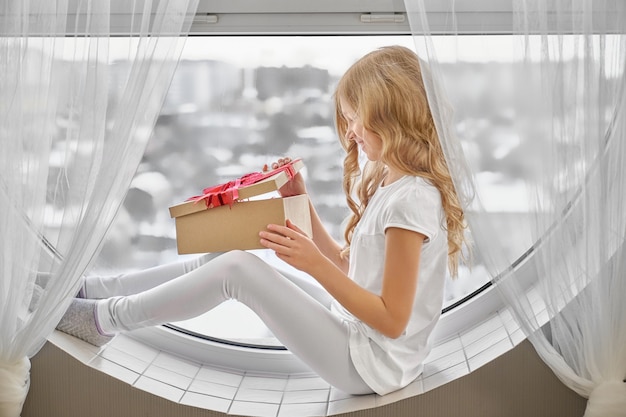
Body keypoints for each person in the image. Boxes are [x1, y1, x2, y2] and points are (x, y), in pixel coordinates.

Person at [55, 45, 467, 396]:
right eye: (348, 117)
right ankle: (93, 290)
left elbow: (392, 321)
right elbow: (350, 268)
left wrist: (312, 264)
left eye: (357, 116)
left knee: (238, 270)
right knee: (230, 254)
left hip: (372, 364)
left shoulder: (413, 199)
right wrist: (300, 202)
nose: (352, 129)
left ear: (393, 115)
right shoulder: (392, 183)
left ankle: (104, 319)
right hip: (358, 336)